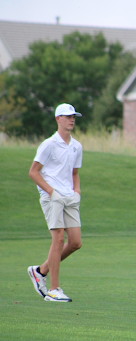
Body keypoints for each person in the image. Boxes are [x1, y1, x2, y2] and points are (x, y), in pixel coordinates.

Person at [27, 103, 83, 302]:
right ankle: (54, 289)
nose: (72, 119)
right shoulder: (49, 144)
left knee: (75, 242)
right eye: (67, 116)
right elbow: (33, 172)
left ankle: (40, 271)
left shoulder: (77, 146)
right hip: (52, 197)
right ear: (58, 119)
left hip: (69, 197)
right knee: (58, 239)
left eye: (73, 116)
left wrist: (77, 191)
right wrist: (51, 192)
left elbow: (75, 173)